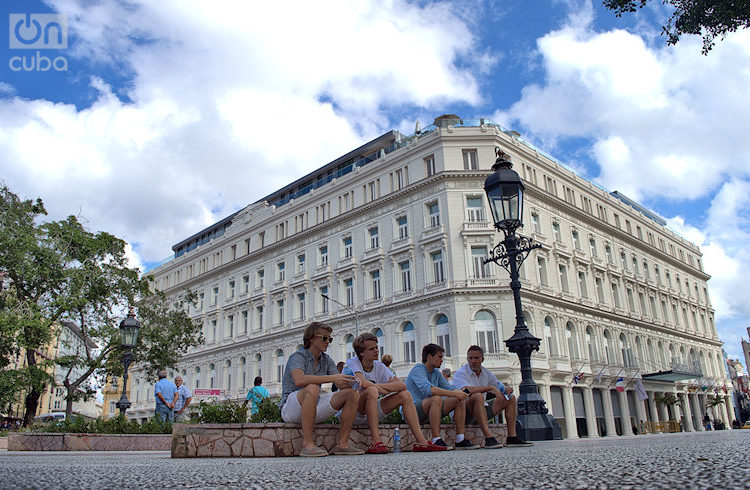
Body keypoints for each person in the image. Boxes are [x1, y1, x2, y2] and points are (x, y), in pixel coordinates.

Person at [341, 333, 447, 453]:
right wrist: (386, 388)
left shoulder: (379, 366)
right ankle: (376, 442)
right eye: (371, 349)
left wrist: (378, 388)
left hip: (373, 407)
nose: (377, 351)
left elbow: (402, 385)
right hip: (354, 411)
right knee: (371, 391)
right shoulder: (352, 363)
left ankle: (421, 442)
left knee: (404, 395)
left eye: (376, 347)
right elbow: (363, 383)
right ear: (361, 353)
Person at [279, 321, 364, 457]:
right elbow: (299, 380)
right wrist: (332, 379)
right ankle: (308, 445)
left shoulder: (326, 359)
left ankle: (342, 444)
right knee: (312, 388)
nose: (327, 342)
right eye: (324, 338)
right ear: (311, 338)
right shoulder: (298, 356)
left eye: (329, 339)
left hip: (313, 406)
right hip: (290, 409)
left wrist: (352, 382)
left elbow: (339, 382)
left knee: (351, 394)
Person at [452, 345, 531, 447]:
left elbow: (499, 387)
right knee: (477, 396)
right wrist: (489, 388)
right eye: (470, 358)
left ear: (482, 359)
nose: (473, 361)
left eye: (476, 358)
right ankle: (489, 438)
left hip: (482, 408)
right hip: (464, 413)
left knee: (511, 398)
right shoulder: (461, 373)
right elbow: (466, 390)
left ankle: (512, 437)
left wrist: (507, 390)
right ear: (467, 359)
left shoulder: (486, 373)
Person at [406, 343, 478, 450]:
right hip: (413, 411)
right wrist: (454, 393)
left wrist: (461, 392)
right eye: (439, 357)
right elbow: (428, 390)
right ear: (429, 357)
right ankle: (436, 439)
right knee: (436, 398)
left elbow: (449, 388)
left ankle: (460, 439)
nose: (442, 360)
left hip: (430, 409)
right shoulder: (418, 369)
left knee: (458, 399)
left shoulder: (435, 372)